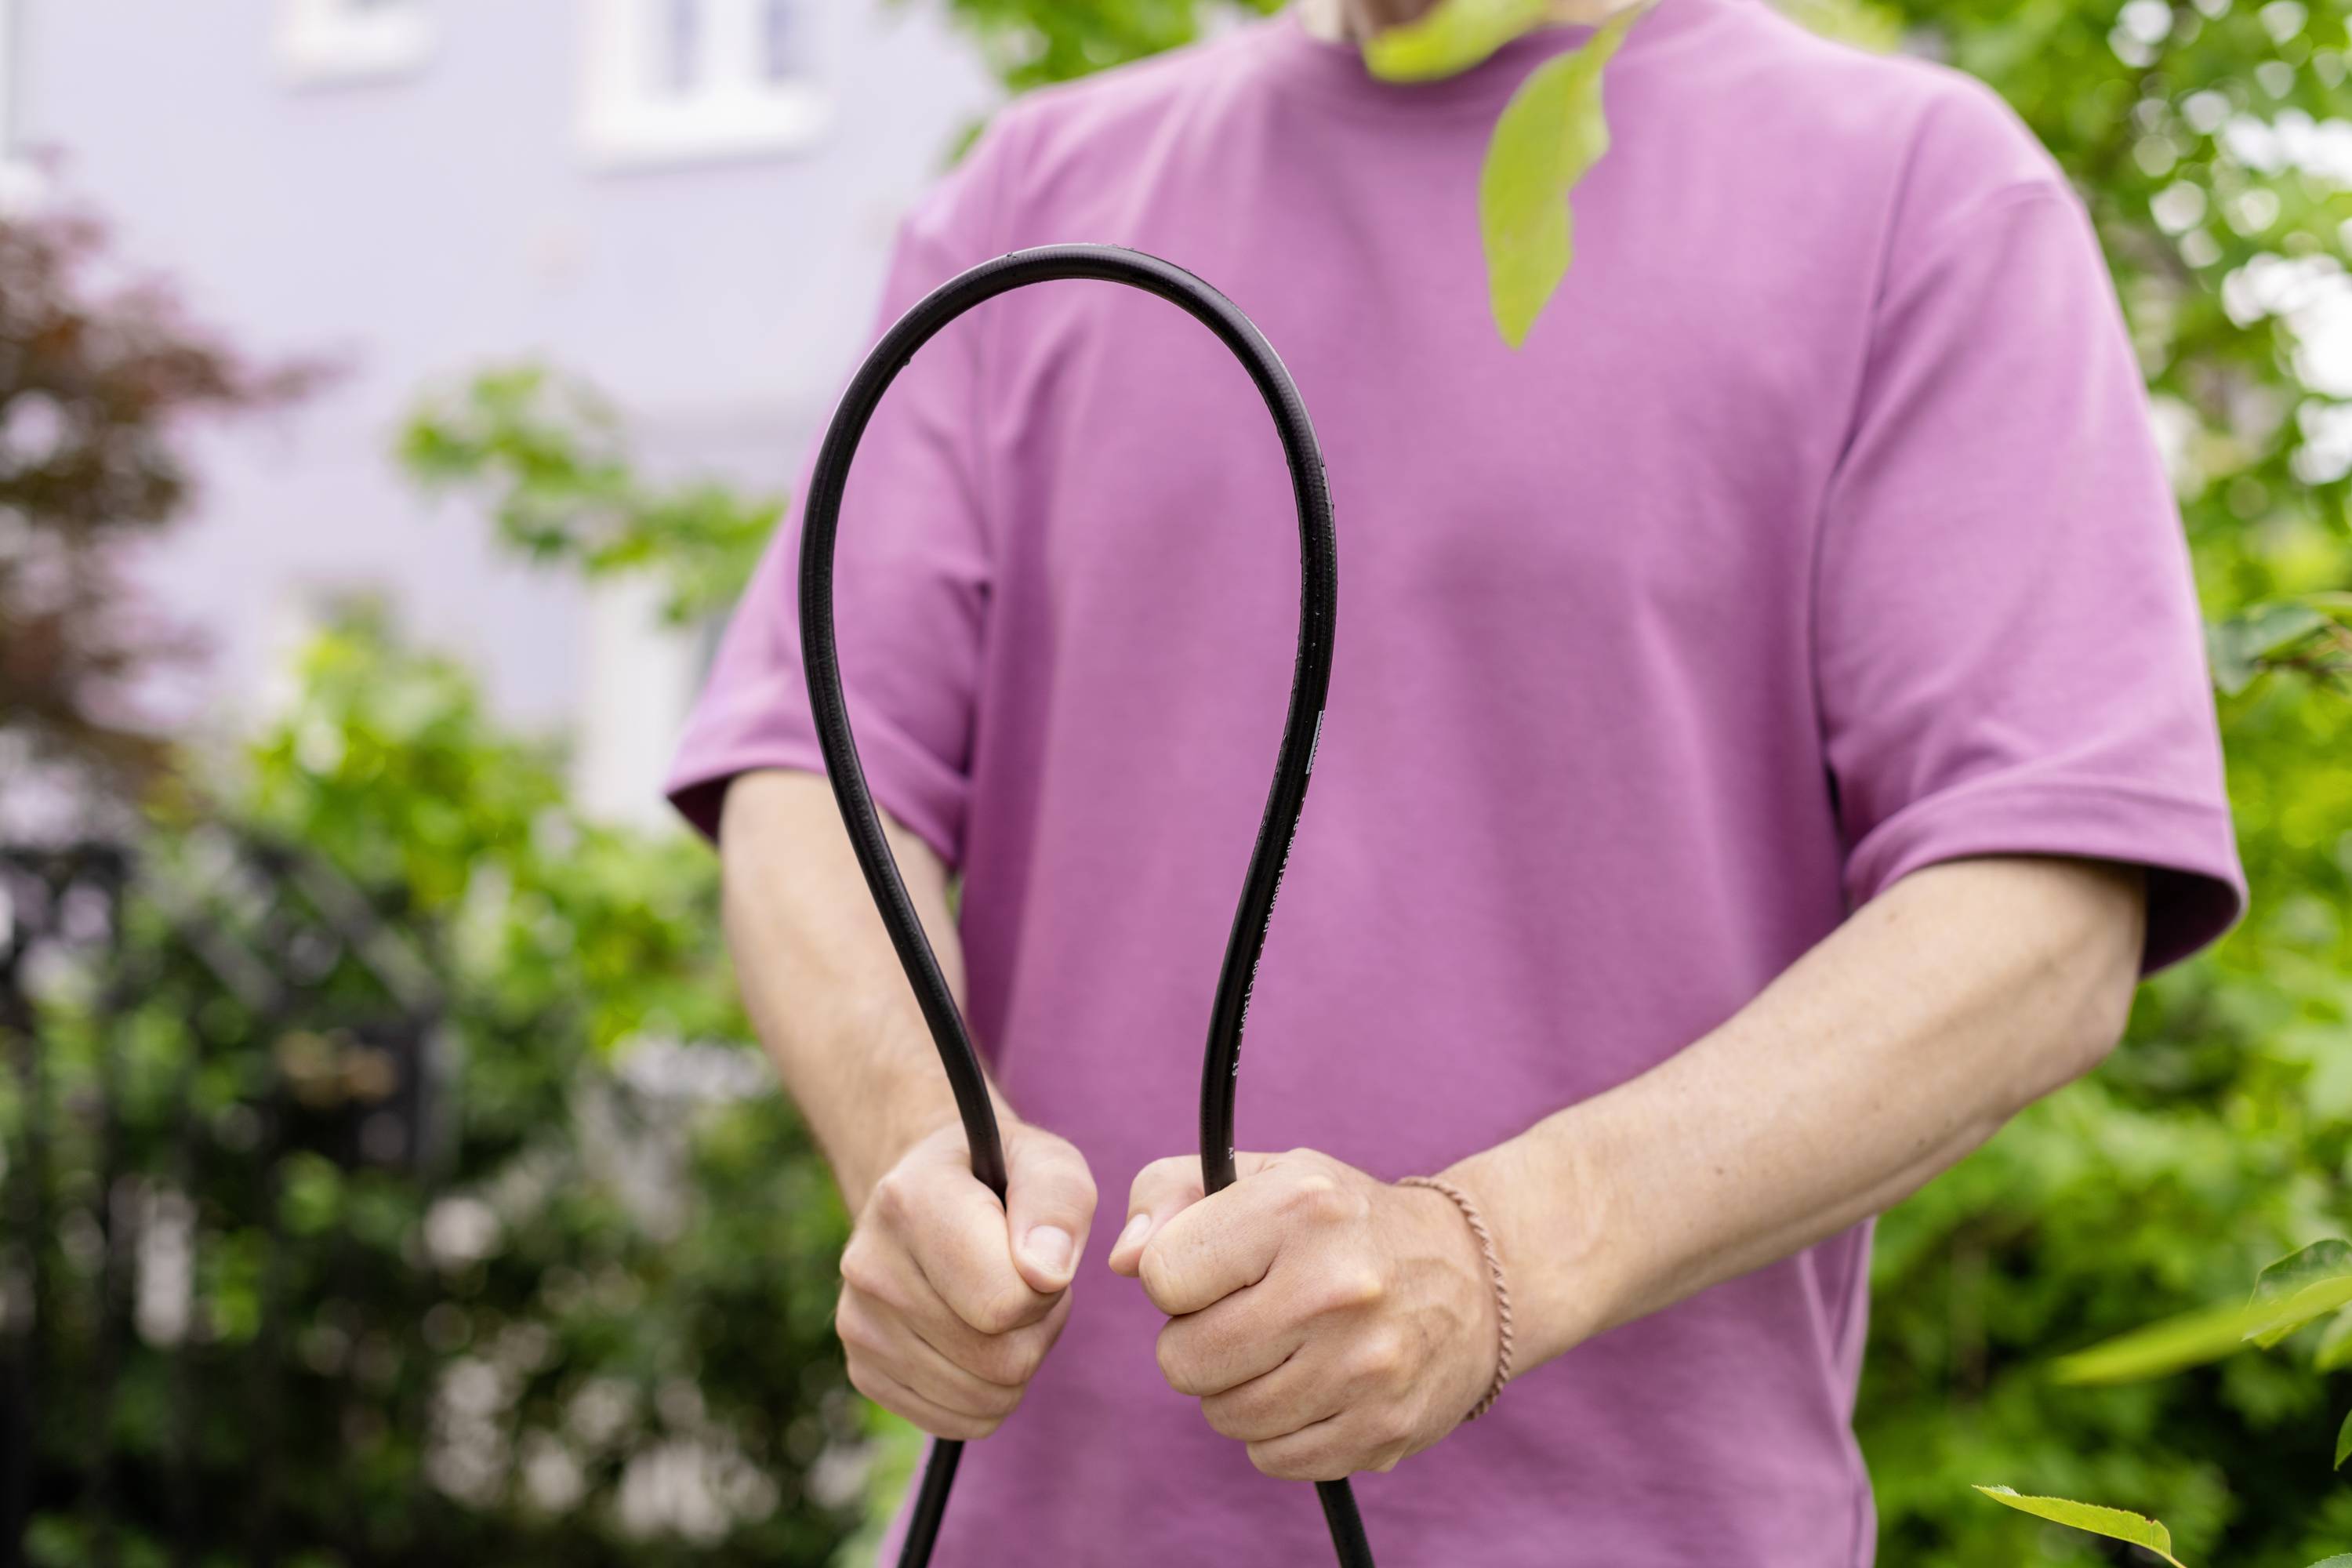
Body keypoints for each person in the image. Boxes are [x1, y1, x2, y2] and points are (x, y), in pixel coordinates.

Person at [665, 0, 2247, 1559]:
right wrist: (917, 1142)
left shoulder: (1916, 188)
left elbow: (2048, 902)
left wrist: (1491, 1256)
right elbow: (811, 773)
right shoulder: (1030, 196)